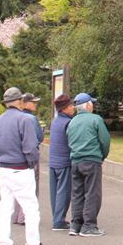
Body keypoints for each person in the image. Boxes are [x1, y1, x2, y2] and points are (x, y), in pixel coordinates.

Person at [0, 87, 50, 245]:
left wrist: (0, 162)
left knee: (5, 207)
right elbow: (30, 147)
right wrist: (31, 164)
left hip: (4, 169)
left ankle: (5, 244)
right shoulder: (25, 120)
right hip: (21, 168)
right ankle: (33, 243)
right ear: (21, 101)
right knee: (30, 207)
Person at [67, 92, 110, 237]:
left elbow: (68, 140)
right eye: (92, 103)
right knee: (92, 193)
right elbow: (105, 141)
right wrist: (102, 156)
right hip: (92, 160)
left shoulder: (71, 122)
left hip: (75, 161)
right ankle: (89, 226)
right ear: (88, 105)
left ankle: (75, 224)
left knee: (77, 193)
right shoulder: (96, 119)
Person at [12, 92, 43, 225]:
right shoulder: (30, 118)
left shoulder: (14, 117)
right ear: (25, 103)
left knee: (17, 187)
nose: (35, 104)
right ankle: (24, 216)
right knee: (30, 187)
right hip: (30, 156)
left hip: (16, 156)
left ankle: (16, 216)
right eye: (33, 102)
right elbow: (39, 137)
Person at [48, 93, 75, 231]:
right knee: (64, 191)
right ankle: (59, 220)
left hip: (53, 160)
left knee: (54, 191)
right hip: (64, 161)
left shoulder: (55, 121)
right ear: (64, 108)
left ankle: (56, 217)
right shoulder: (69, 123)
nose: (73, 108)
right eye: (70, 106)